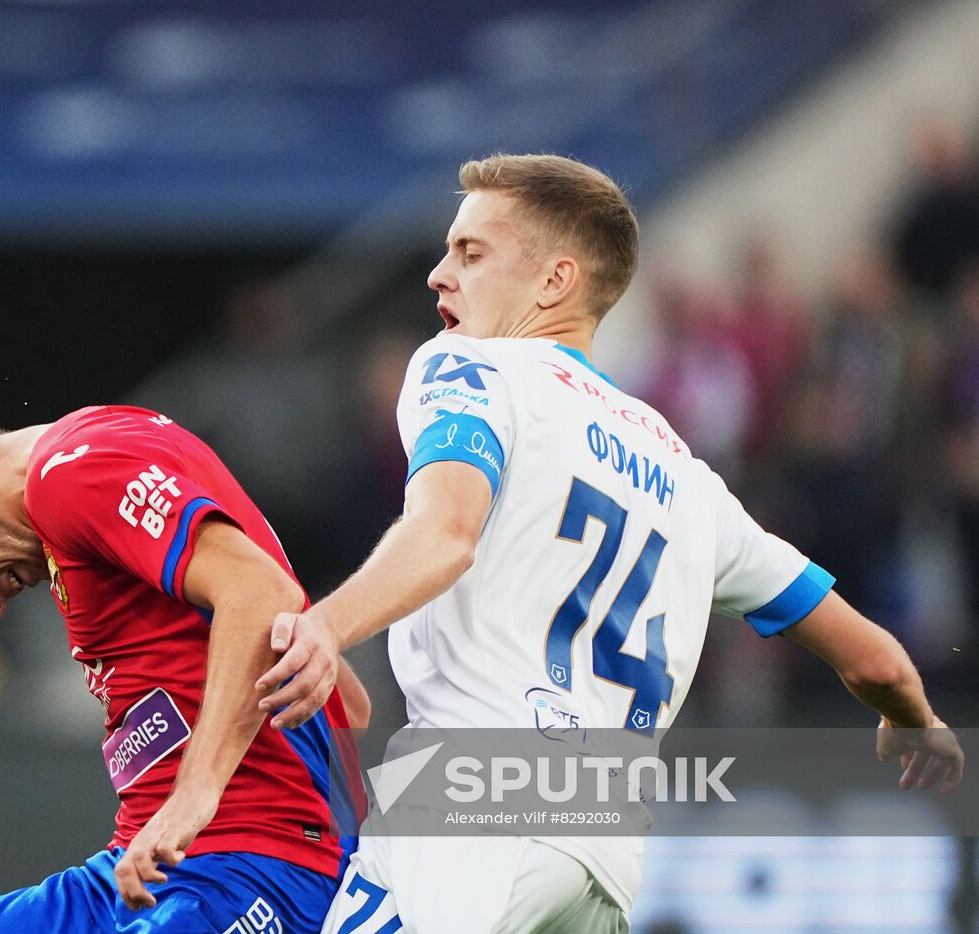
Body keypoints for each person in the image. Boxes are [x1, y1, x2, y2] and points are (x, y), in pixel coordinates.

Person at [254, 153, 964, 933]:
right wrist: (911, 718)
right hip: (604, 850)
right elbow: (875, 660)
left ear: (554, 281)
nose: (438, 275)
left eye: (471, 253)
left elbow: (447, 531)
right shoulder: (688, 478)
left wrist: (325, 626)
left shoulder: (471, 368)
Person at [0, 405, 370, 934]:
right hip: (150, 865)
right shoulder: (90, 463)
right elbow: (347, 695)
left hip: (245, 862)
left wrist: (197, 793)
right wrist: (376, 847)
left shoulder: (70, 476)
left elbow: (258, 592)